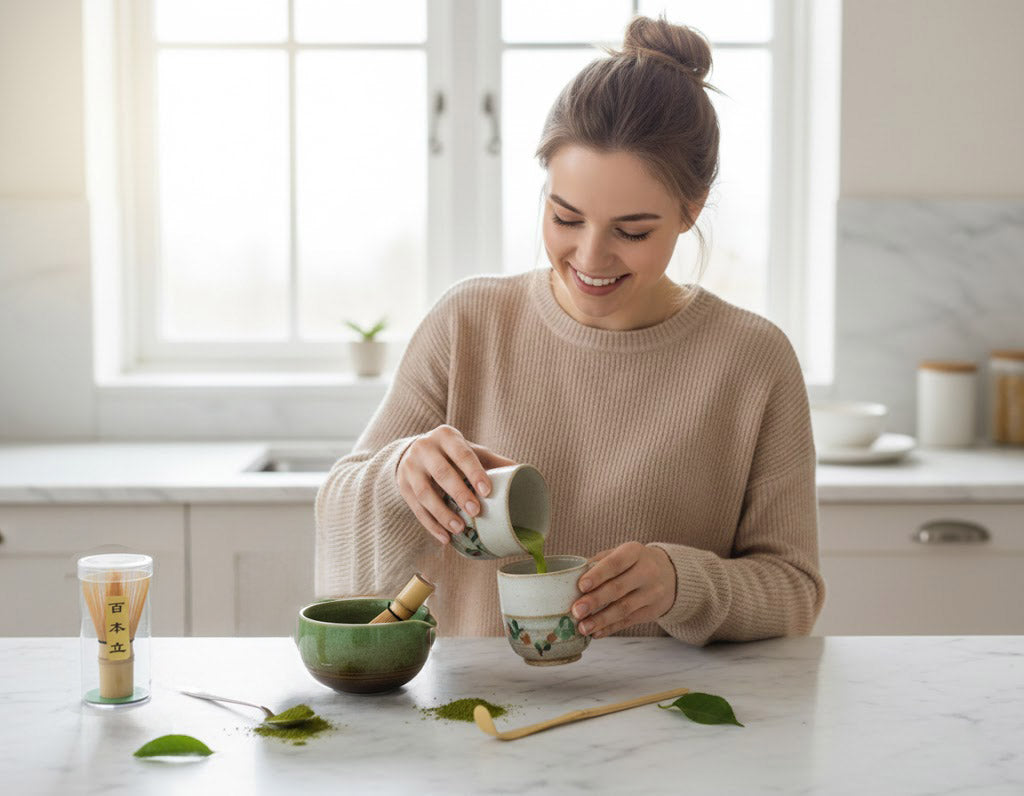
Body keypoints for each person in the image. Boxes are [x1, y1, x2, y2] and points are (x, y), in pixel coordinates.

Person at [315, 16, 824, 645]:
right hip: (476, 702)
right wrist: (400, 472)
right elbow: (340, 506)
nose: (590, 257)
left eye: (632, 231)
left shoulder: (754, 360)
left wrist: (683, 584)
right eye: (565, 218)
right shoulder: (468, 323)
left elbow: (795, 591)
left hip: (665, 706)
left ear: (690, 211)